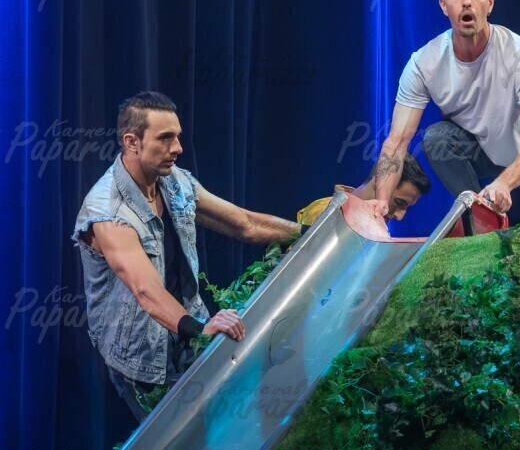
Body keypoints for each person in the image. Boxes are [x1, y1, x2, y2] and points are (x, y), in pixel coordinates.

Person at [73, 92, 304, 421]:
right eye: (165, 138)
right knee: (173, 443)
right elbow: (145, 290)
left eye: (178, 137)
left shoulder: (175, 181)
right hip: (141, 358)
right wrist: (201, 329)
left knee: (219, 428)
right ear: (132, 142)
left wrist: (310, 231)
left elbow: (245, 223)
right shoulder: (108, 211)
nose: (178, 148)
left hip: (188, 336)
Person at [366, 0, 520, 221]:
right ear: (444, 6)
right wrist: (382, 200)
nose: (466, 2)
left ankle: (494, 209)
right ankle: (480, 214)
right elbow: (397, 141)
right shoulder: (424, 63)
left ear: (490, 3)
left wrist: (504, 183)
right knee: (437, 138)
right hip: (483, 150)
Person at [297, 152, 431, 226]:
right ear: (379, 181)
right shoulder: (324, 212)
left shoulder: (372, 227)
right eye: (399, 202)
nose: (400, 217)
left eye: (406, 208)